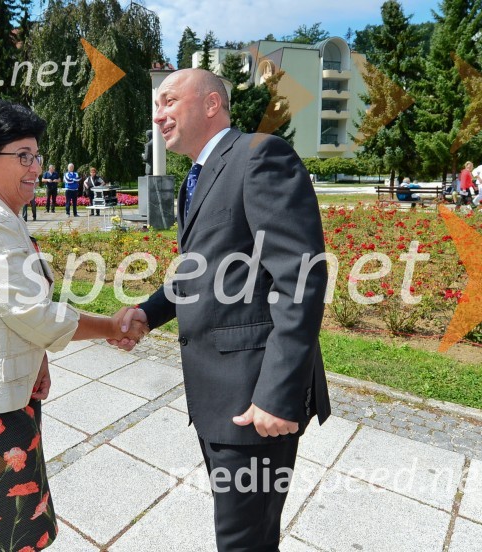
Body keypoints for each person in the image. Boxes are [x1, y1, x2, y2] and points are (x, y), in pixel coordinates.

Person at [113, 69, 330, 551]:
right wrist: (150, 312)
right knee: (248, 535)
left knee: (241, 540)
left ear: (211, 104)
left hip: (254, 398)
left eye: (169, 101)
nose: (157, 114)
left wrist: (278, 392)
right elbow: (204, 269)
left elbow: (301, 278)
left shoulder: (258, 155)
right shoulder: (201, 173)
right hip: (219, 398)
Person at [0, 100, 146, 551]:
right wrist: (111, 326)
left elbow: (10, 310)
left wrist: (39, 356)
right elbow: (35, 314)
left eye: (37, 156)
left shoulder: (0, 217)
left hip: (6, 397)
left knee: (17, 532)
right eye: (22, 156)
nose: (36, 168)